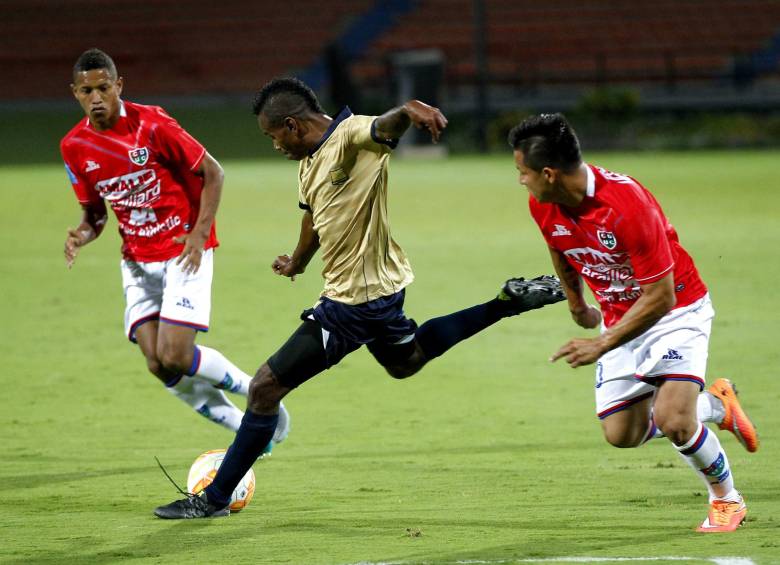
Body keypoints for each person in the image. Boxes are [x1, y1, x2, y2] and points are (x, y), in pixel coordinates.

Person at [153, 77, 565, 519]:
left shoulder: (351, 136)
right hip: (382, 289)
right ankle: (505, 302)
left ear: (292, 125)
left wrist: (409, 109)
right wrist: (297, 261)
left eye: (272, 137)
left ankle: (213, 499)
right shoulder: (309, 161)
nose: (274, 145)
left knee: (265, 387)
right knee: (406, 362)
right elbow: (314, 215)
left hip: (355, 303)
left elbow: (386, 127)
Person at [508, 113, 759, 532]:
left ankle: (727, 499)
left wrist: (599, 345)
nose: (521, 181)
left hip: (677, 313)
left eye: (523, 172)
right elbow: (559, 245)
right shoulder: (543, 203)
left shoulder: (626, 205)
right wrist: (576, 302)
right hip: (621, 317)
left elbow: (662, 297)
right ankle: (716, 405)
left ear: (549, 173)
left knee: (675, 421)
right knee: (621, 433)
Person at [61, 48, 289, 448]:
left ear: (118, 85)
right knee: (157, 363)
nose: (95, 97)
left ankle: (258, 393)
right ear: (75, 93)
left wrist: (199, 235)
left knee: (177, 356)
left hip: (183, 251)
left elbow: (213, 172)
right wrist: (81, 233)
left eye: (102, 88)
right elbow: (95, 214)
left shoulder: (152, 124)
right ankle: (247, 430)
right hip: (136, 262)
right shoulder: (74, 147)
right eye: (86, 90)